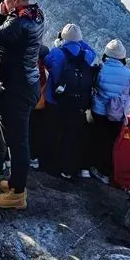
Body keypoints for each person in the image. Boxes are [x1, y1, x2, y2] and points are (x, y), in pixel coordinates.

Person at [0, 0, 44, 209]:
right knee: (17, 139)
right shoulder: (35, 13)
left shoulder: (17, 23)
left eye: (7, 0)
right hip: (23, 86)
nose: (5, 3)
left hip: (17, 91)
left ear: (15, 1)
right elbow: (13, 2)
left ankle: (18, 194)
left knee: (18, 143)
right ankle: (17, 182)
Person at [43, 23, 97, 179]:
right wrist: (79, 41)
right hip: (77, 103)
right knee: (72, 136)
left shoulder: (56, 53)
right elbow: (93, 52)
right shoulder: (86, 55)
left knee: (54, 133)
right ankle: (69, 169)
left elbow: (46, 62)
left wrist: (59, 42)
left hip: (56, 101)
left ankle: (51, 166)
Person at [90, 38, 130, 184]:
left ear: (106, 54)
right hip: (117, 114)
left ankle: (92, 166)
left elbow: (95, 84)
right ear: (122, 57)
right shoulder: (129, 74)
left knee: (97, 139)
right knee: (112, 143)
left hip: (99, 111)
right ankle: (107, 173)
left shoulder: (101, 69)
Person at [29, 45, 50, 171]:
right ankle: (38, 157)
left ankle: (32, 157)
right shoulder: (45, 65)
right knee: (39, 131)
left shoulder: (30, 65)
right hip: (43, 103)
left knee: (30, 131)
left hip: (31, 102)